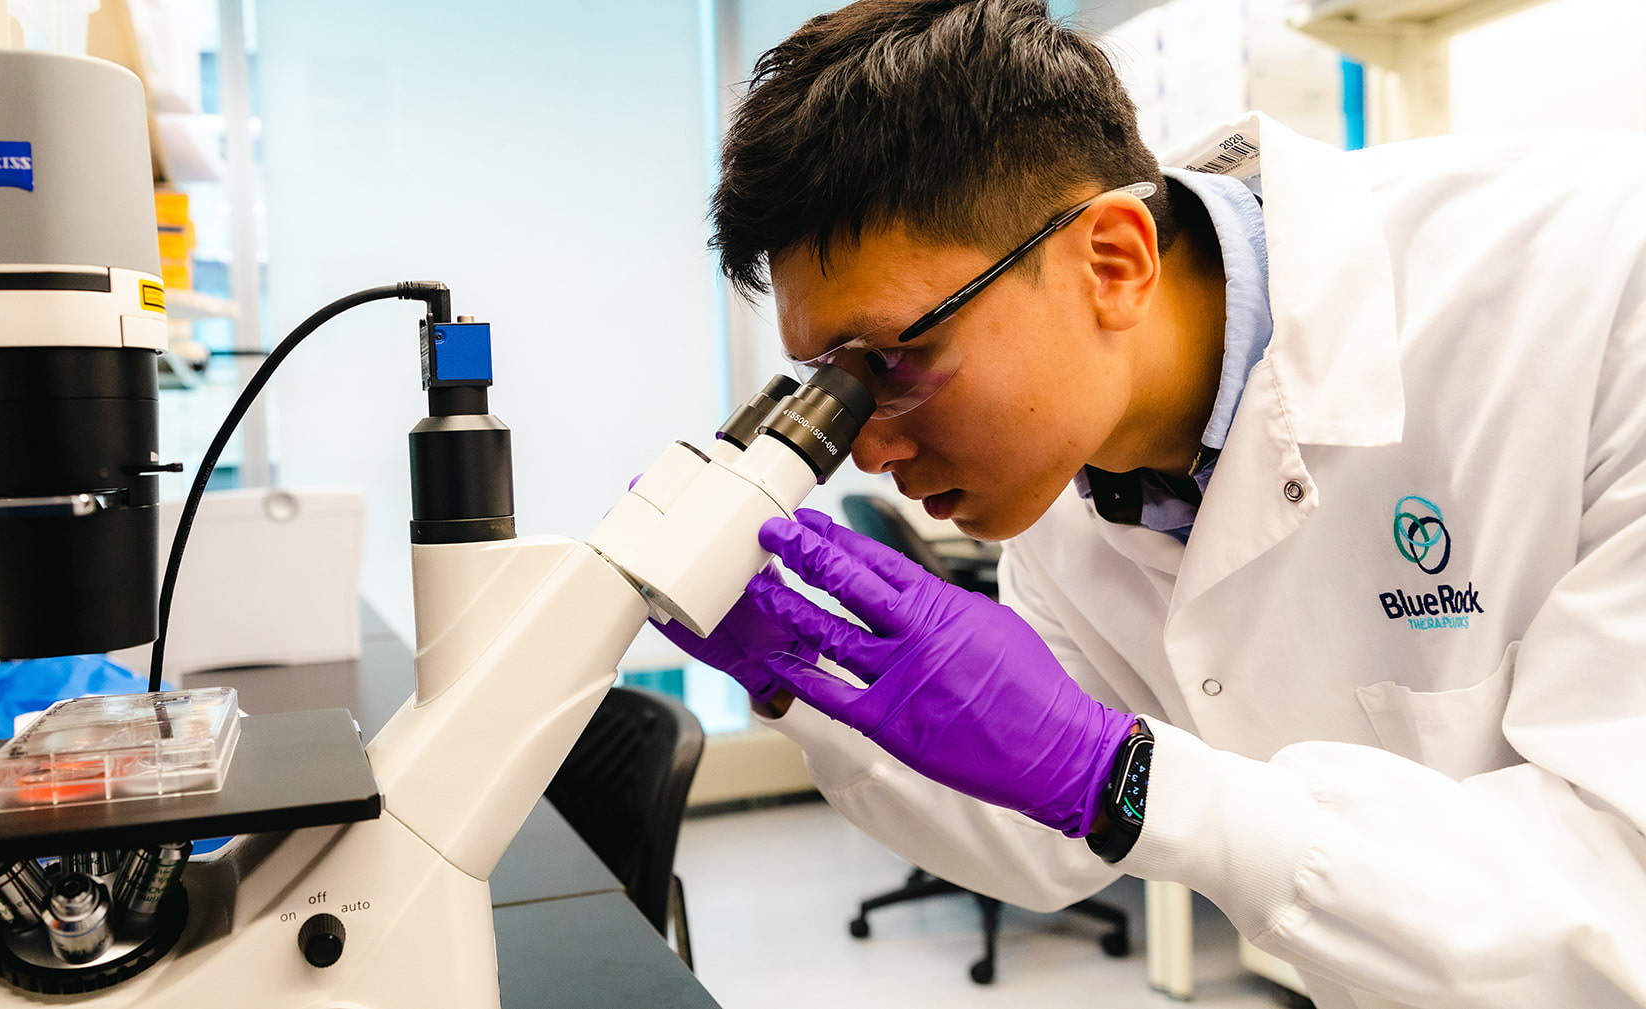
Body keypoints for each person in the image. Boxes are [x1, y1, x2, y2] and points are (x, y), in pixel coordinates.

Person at [660, 1, 1646, 1006]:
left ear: (1115, 261)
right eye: (832, 380)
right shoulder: (1066, 467)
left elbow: (1619, 892)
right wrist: (810, 680)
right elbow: (1052, 847)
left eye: (897, 359)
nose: (865, 446)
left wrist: (1122, 775)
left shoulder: (1604, 283)